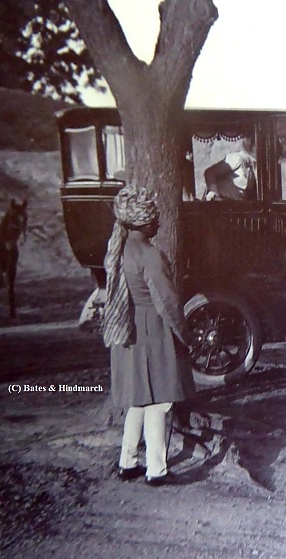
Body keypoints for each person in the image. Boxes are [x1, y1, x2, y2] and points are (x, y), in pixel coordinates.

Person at [102, 185, 195, 486]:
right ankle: (157, 469)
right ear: (143, 223)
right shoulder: (149, 255)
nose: (158, 223)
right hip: (151, 330)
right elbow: (167, 302)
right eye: (154, 219)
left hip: (128, 329)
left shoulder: (121, 249)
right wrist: (185, 334)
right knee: (158, 401)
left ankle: (127, 462)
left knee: (138, 400)